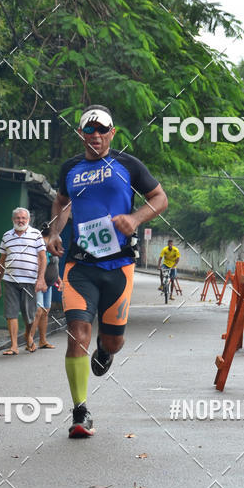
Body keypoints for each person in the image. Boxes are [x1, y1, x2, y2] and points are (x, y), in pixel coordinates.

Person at [48, 104, 168, 438]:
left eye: (103, 130)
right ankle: (80, 412)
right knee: (77, 332)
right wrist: (56, 232)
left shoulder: (128, 165)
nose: (96, 136)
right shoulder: (70, 169)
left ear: (112, 133)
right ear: (81, 134)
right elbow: (61, 202)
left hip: (118, 266)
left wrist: (134, 219)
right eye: (90, 130)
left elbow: (159, 198)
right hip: (80, 266)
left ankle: (105, 350)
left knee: (113, 342)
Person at [0, 207, 47, 355]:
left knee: (30, 314)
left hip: (30, 281)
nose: (20, 220)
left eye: (23, 218)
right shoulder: (6, 236)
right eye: (18, 218)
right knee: (11, 313)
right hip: (10, 280)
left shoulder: (36, 235)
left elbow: (43, 258)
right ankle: (14, 346)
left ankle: (28, 335)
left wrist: (41, 278)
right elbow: (2, 260)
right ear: (13, 220)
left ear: (28, 220)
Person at [32, 226, 61, 348]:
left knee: (45, 311)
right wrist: (41, 280)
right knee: (38, 311)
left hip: (49, 284)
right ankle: (30, 340)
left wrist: (58, 279)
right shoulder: (42, 245)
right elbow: (40, 265)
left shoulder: (51, 246)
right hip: (39, 283)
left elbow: (53, 266)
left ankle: (42, 340)